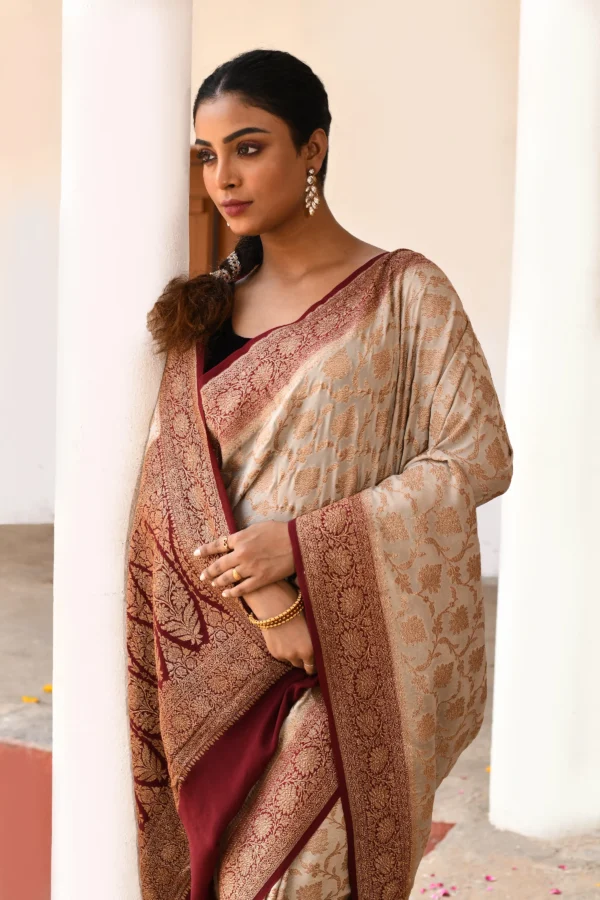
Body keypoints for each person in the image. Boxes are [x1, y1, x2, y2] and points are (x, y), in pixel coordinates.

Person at [125, 48, 513, 900]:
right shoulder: (207, 313)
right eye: (209, 155)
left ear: (314, 148)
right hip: (226, 657)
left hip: (350, 651)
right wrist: (270, 597)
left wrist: (303, 544)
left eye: (249, 147)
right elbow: (170, 490)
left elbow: (479, 453)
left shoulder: (403, 292)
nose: (223, 178)